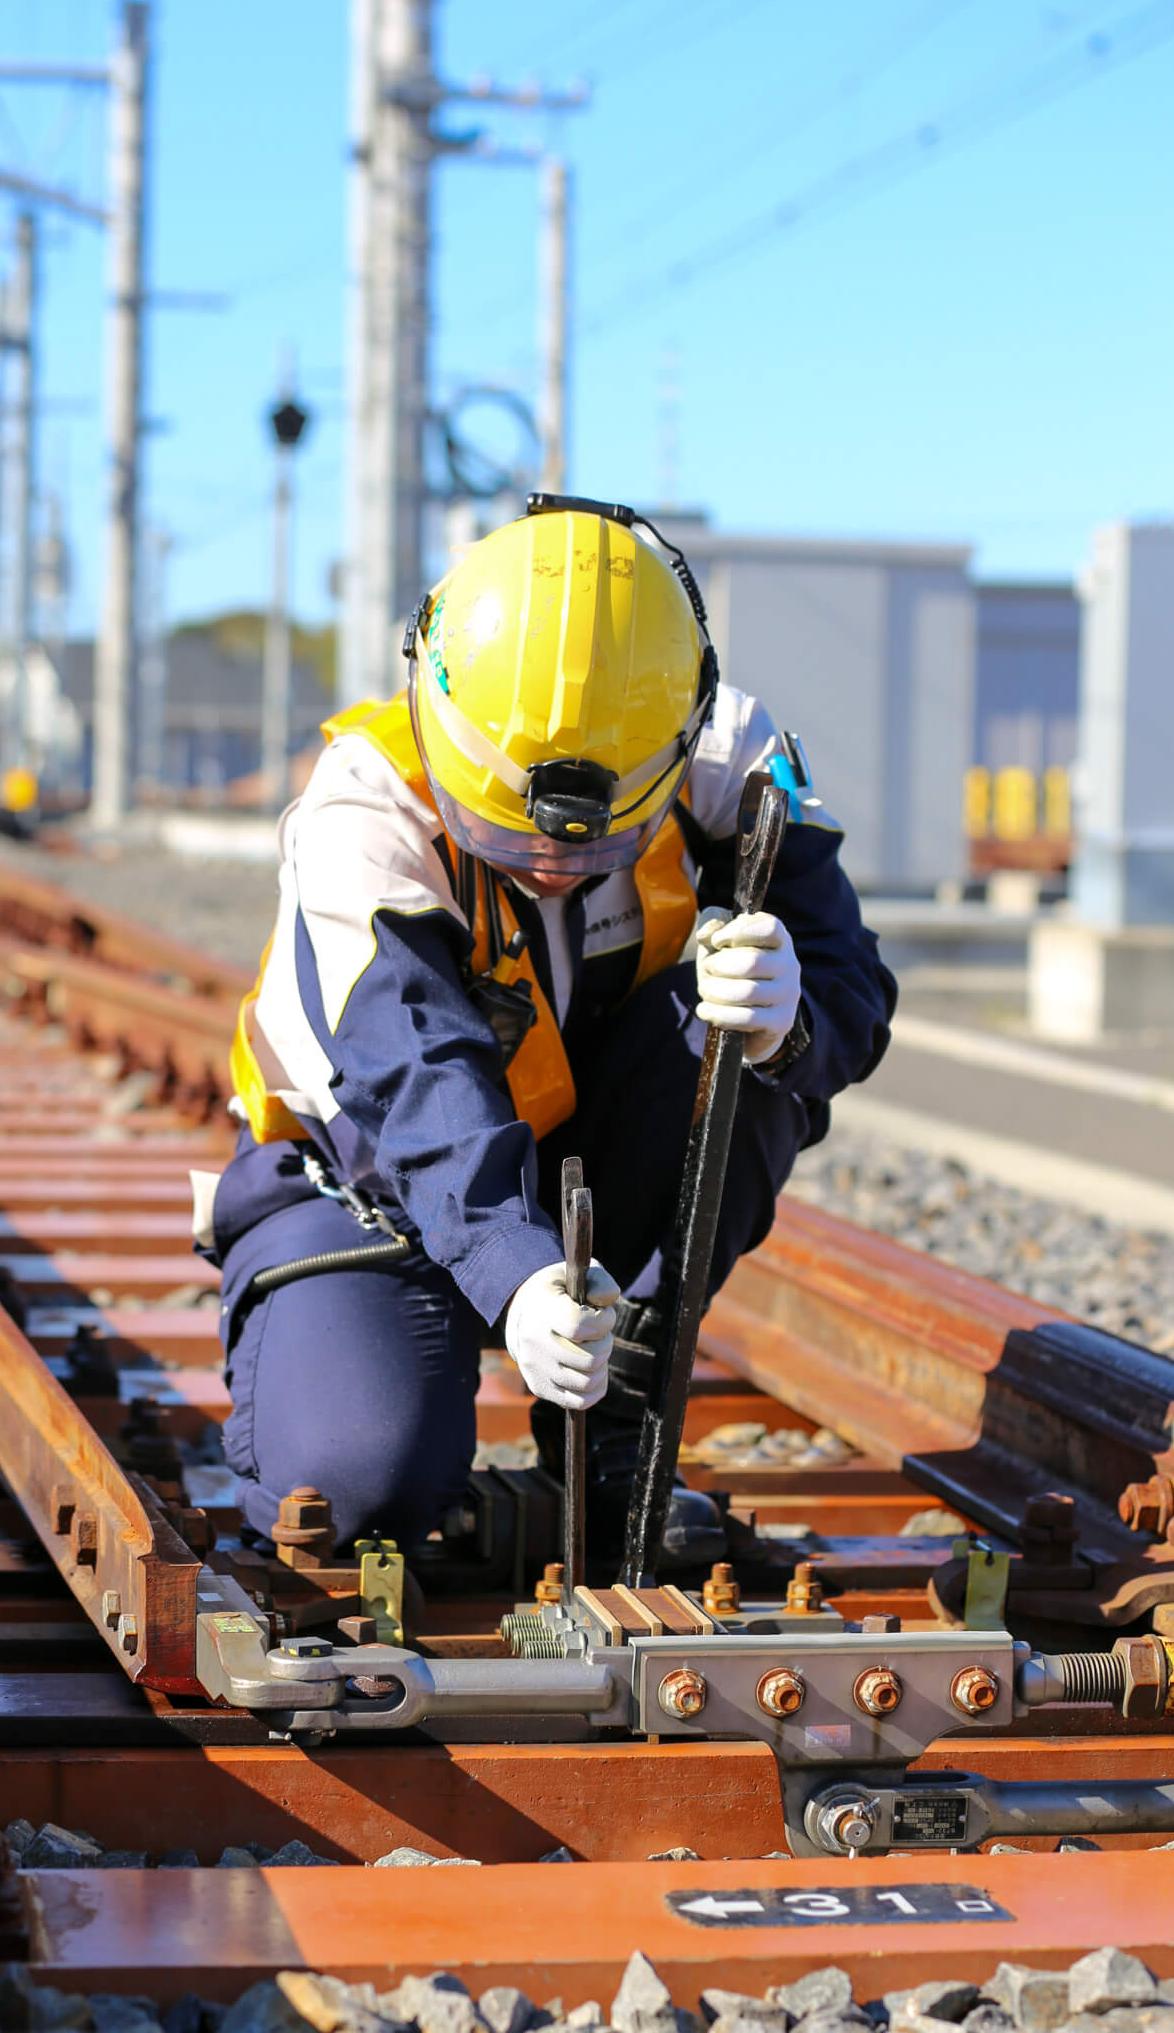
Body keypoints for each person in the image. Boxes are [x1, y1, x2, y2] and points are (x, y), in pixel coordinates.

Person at [203, 494, 895, 1573]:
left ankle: (613, 1441)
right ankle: (339, 1364)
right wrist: (520, 1272)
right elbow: (418, 1076)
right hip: (365, 1178)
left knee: (723, 1041)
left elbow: (856, 996)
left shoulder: (725, 753)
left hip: (593, 1156)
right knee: (355, 1486)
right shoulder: (365, 810)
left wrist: (789, 1020)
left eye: (591, 848)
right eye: (510, 835)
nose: (552, 867)